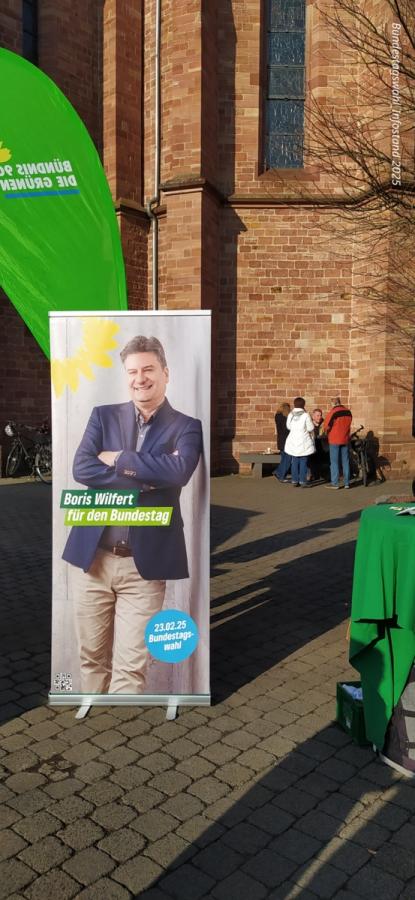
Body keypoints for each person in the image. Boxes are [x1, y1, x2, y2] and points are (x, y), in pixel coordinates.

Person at [62, 335, 203, 694]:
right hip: (92, 559)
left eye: (148, 369)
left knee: (131, 667)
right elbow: (82, 469)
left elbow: (179, 472)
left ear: (166, 373)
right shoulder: (102, 415)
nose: (140, 378)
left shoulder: (187, 426)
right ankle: (94, 722)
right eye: (133, 371)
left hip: (145, 566)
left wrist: (120, 458)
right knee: (90, 658)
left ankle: (117, 736)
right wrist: (147, 478)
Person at [323, 396, 352, 489]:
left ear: (333, 403)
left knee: (334, 462)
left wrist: (326, 432)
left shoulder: (333, 412)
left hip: (335, 439)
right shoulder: (348, 412)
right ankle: (347, 483)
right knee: (345, 461)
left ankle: (334, 483)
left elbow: (327, 426)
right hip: (345, 439)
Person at [284, 397, 315, 487]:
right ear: (303, 405)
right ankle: (302, 480)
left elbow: (288, 426)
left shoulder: (291, 414)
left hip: (293, 440)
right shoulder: (306, 415)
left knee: (294, 461)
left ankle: (294, 480)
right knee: (303, 461)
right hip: (303, 440)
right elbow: (310, 428)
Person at [308, 408, 328, 481]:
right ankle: (313, 475)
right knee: (312, 460)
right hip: (313, 446)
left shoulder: (323, 424)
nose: (319, 417)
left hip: (322, 446)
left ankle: (323, 474)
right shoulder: (309, 424)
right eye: (317, 415)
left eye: (320, 415)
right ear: (313, 416)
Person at [273, 401, 291, 481]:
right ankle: (281, 475)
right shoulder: (285, 418)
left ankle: (278, 472)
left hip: (280, 440)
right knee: (287, 459)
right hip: (286, 441)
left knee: (284, 458)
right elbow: (286, 429)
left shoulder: (277, 416)